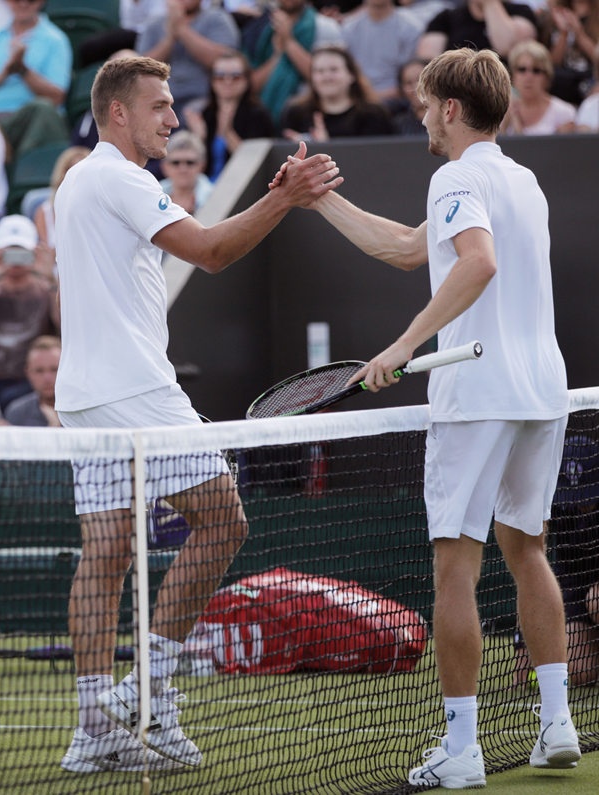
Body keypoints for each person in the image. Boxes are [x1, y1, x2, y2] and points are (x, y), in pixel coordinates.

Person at [271, 47, 580, 788]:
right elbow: (413, 250)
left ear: (449, 108)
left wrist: (404, 344)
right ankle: (558, 722)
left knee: (455, 565)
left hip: (477, 392)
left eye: (422, 99)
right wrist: (323, 201)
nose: (417, 112)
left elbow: (476, 262)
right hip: (542, 391)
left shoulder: (455, 175)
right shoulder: (521, 179)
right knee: (527, 548)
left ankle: (463, 748)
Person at [54, 55, 342, 774]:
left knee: (108, 550)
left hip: (87, 393)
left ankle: (97, 722)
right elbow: (211, 252)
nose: (174, 118)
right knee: (224, 518)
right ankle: (145, 686)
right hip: (134, 390)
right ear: (118, 112)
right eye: (160, 106)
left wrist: (269, 197)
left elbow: (202, 239)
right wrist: (286, 199)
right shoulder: (121, 177)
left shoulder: (81, 180)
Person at [513, 435, 599, 688]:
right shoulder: (554, 508)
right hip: (573, 589)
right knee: (577, 673)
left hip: (595, 593)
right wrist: (521, 647)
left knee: (597, 598)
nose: (584, 505)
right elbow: (532, 579)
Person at [137, 0, 240, 121]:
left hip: (203, 98)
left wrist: (182, 30)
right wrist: (170, 38)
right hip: (160, 98)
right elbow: (141, 69)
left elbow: (224, 61)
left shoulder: (216, 18)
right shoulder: (154, 23)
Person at [244, 0, 343, 126]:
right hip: (266, 116)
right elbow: (249, 86)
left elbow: (327, 78)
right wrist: (278, 55)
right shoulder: (257, 30)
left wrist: (289, 42)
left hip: (313, 115)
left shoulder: (325, 27)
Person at [185, 50, 275, 181]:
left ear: (246, 80)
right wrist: (199, 138)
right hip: (205, 189)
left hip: (241, 187)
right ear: (212, 80)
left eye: (236, 76)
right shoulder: (206, 114)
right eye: (220, 76)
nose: (228, 81)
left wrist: (228, 134)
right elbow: (188, 165)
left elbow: (255, 164)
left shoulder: (257, 115)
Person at [0, 213, 58, 413]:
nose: (16, 261)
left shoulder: (46, 290)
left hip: (34, 383)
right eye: (9, 253)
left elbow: (65, 327)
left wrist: (50, 279)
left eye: (22, 253)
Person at [0, 0, 72, 159]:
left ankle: (23, 169)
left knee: (43, 108)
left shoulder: (56, 39)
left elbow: (57, 96)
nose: (23, 4)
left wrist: (23, 70)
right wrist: (6, 71)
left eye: (31, 0)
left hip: (28, 120)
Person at [281, 45, 393, 141]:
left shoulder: (373, 114)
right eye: (319, 71)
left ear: (351, 75)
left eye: (334, 70)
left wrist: (326, 147)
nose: (327, 77)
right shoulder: (296, 113)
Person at [341, 0, 421, 102]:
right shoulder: (348, 29)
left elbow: (410, 77)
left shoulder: (411, 28)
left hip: (398, 100)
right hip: (357, 97)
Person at [416, 0, 537, 61]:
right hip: (458, 87)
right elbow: (427, 63)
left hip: (504, 89)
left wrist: (490, 4)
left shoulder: (520, 11)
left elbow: (508, 47)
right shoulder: (446, 18)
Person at [500, 40, 577, 134]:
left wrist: (517, 126)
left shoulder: (564, 113)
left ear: (547, 77)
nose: (528, 77)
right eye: (522, 69)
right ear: (512, 76)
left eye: (536, 70)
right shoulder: (502, 111)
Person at [33, 146, 91, 258]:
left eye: (80, 169)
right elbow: (45, 256)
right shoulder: (44, 213)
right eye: (69, 169)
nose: (73, 174)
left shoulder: (99, 211)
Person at [540, 0, 599, 105]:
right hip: (563, 79)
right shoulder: (555, 13)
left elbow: (596, 57)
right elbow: (552, 64)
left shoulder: (596, 17)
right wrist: (564, 33)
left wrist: (578, 33)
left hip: (590, 78)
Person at [3, 334, 60, 426]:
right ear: (28, 373)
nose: (47, 377)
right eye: (39, 371)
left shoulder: (82, 409)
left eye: (54, 369)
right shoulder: (17, 413)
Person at [159, 130, 212, 213]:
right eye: (176, 163)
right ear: (164, 167)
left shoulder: (214, 196)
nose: (183, 169)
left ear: (201, 166)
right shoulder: (154, 194)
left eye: (190, 162)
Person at [391, 58, 429, 136]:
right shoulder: (399, 125)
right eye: (408, 83)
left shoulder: (450, 120)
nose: (415, 87)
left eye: (420, 80)